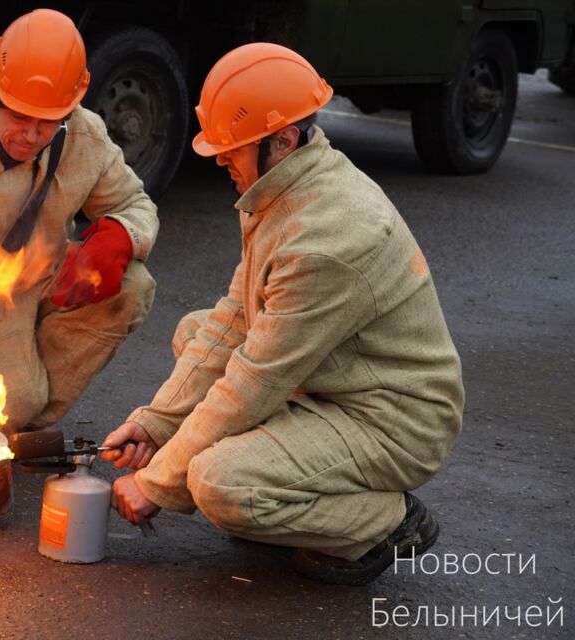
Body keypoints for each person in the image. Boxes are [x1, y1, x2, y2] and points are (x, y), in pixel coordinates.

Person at [101, 43, 464, 585]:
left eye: (232, 148)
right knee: (195, 331)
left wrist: (159, 482)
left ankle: (384, 523)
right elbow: (234, 319)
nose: (221, 158)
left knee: (218, 483)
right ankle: (278, 488)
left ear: (283, 139)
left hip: (392, 419)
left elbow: (255, 378)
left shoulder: (325, 238)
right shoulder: (288, 184)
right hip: (335, 382)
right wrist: (158, 423)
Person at [0, 10, 158, 519]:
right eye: (19, 116)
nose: (33, 134)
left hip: (41, 277)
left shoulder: (83, 133)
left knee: (132, 284)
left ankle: (22, 432)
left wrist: (118, 237)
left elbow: (136, 205)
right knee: (5, 399)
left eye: (48, 121)